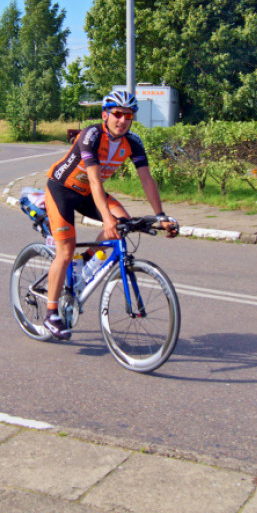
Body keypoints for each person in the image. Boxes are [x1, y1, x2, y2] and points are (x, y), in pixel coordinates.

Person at [41, 90, 178, 340]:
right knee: (65, 250)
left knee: (122, 224)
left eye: (128, 115)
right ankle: (51, 313)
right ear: (105, 114)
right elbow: (94, 179)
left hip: (91, 193)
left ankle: (86, 261)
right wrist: (106, 218)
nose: (123, 120)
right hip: (63, 189)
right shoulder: (92, 135)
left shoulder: (133, 142)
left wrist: (161, 216)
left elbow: (146, 179)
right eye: (117, 113)